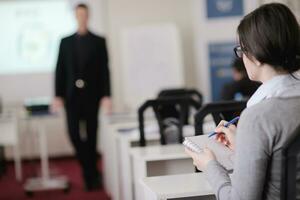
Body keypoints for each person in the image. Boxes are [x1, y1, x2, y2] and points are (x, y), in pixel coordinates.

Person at [185, 3, 300, 200]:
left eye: (241, 50)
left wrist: (210, 166)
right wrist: (245, 145)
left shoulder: (258, 117)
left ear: (255, 55)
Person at [52, 3, 112, 190]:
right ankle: (91, 170)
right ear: (75, 16)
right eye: (78, 14)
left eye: (84, 14)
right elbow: (59, 70)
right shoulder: (65, 41)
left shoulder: (99, 41)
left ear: (88, 16)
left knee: (92, 136)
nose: (81, 17)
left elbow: (105, 70)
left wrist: (107, 95)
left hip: (92, 96)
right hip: (71, 97)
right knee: (74, 134)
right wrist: (58, 95)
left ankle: (90, 178)